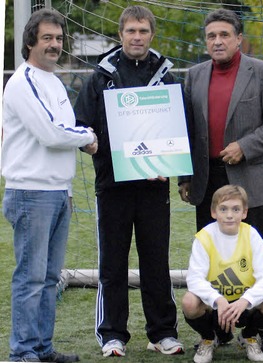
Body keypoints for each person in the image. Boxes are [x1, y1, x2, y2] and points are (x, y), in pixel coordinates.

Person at [74, 5, 183, 357]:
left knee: (156, 260)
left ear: (153, 34)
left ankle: (163, 332)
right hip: (112, 186)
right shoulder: (101, 75)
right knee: (112, 262)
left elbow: (178, 129)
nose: (137, 37)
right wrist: (94, 144)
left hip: (154, 185)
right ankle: (112, 334)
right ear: (120, 34)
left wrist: (170, 161)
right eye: (131, 31)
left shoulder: (166, 76)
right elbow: (83, 125)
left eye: (143, 31)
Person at [2, 8, 97, 362]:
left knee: (48, 278)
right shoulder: (22, 81)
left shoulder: (54, 81)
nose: (54, 45)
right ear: (30, 42)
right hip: (30, 192)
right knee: (30, 278)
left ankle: (42, 348)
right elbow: (51, 133)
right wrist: (87, 135)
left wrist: (69, 185)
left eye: (58, 39)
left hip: (58, 191)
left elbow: (61, 132)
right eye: (47, 38)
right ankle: (23, 352)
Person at [178, 9, 263, 251]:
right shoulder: (194, 76)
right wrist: (185, 177)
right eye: (211, 36)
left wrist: (244, 146)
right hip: (207, 181)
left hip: (252, 181)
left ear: (238, 38)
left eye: (224, 35)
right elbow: (188, 129)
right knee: (212, 254)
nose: (217, 41)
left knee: (253, 255)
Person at [181, 185, 263, 363]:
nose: (229, 215)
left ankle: (248, 336)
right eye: (223, 209)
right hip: (215, 307)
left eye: (235, 209)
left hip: (245, 305)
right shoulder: (204, 237)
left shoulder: (251, 235)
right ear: (213, 212)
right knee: (189, 302)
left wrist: (246, 300)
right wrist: (218, 299)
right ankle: (208, 338)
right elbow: (194, 279)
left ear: (244, 213)